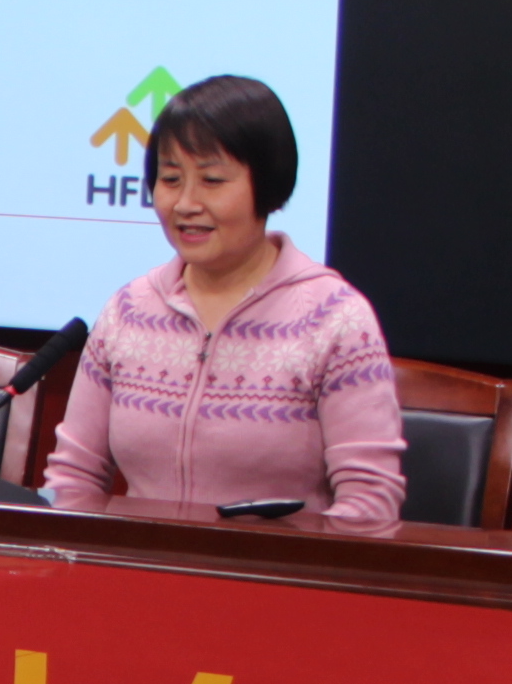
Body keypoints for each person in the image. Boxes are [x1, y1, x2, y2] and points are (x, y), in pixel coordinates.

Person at [40, 71, 406, 531]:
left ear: (268, 187)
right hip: (140, 567)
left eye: (212, 180)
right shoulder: (128, 311)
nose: (185, 203)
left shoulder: (334, 319)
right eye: (170, 179)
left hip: (274, 571)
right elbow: (74, 478)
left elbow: (370, 504)